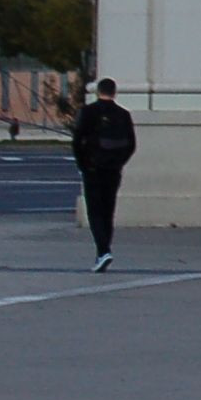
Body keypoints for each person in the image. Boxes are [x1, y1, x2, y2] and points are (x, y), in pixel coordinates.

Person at [70, 78, 138, 273]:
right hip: (113, 170)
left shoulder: (88, 112)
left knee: (94, 211)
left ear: (97, 92)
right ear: (114, 93)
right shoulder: (123, 114)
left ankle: (103, 251)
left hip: (93, 168)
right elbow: (131, 145)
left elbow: (77, 141)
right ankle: (103, 251)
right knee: (108, 211)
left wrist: (83, 164)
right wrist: (118, 163)